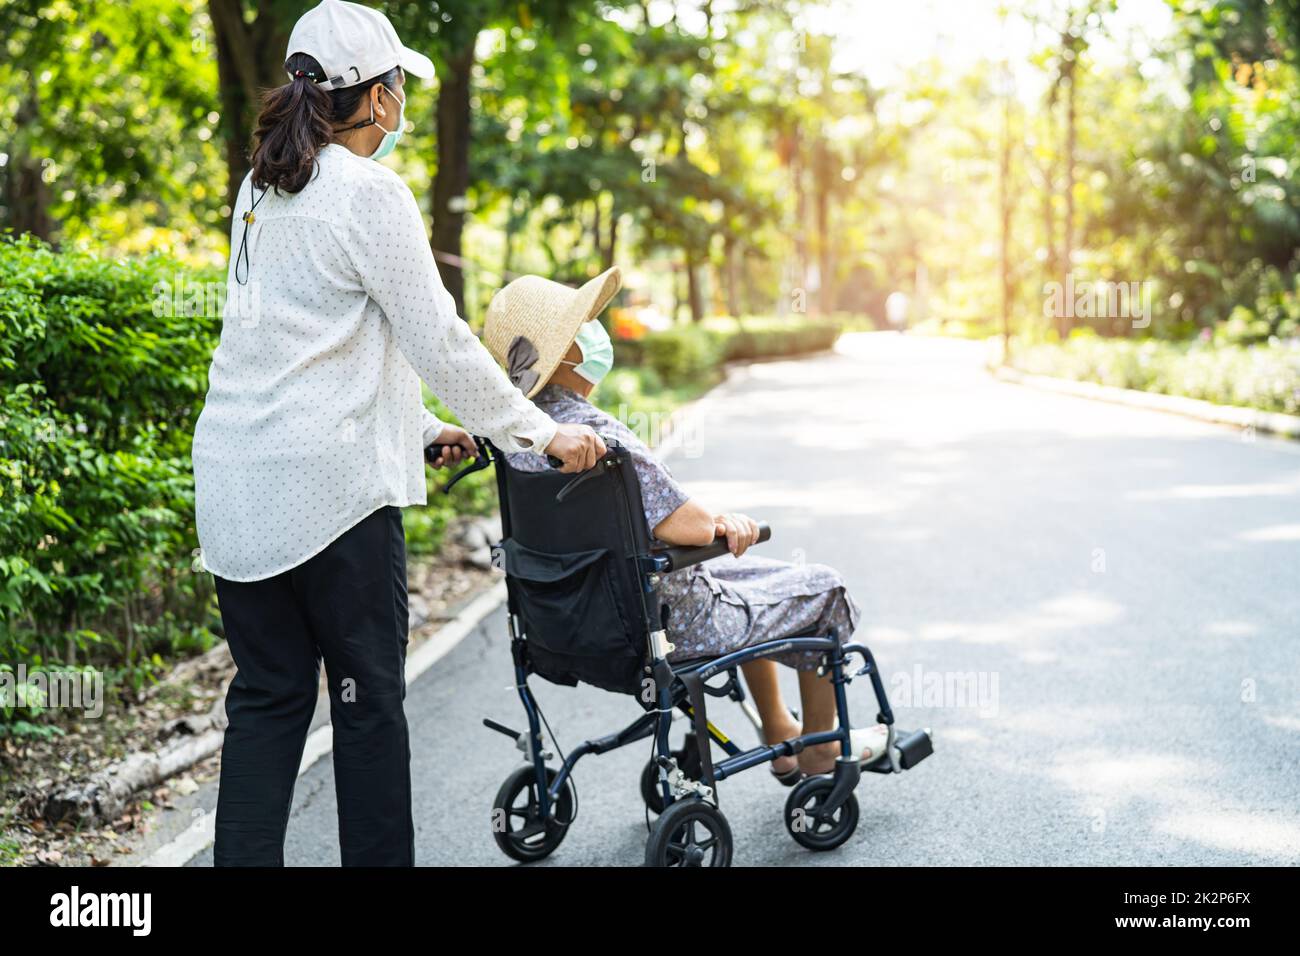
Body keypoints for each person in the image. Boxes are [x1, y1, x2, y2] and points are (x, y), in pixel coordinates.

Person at [190, 0, 604, 867]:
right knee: (366, 703)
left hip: (237, 489)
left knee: (266, 701)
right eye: (398, 87)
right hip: (332, 500)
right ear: (376, 100)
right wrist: (538, 434)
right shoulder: (369, 192)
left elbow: (299, 346)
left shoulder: (260, 189)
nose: (403, 103)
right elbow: (440, 340)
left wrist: (417, 429)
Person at [483, 268, 888, 782]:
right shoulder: (596, 437)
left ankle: (778, 728)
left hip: (570, 623)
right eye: (583, 326)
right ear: (568, 353)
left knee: (749, 585)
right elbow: (690, 527)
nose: (595, 333)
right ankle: (818, 753)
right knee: (825, 588)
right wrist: (726, 523)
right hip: (668, 620)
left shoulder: (517, 437)